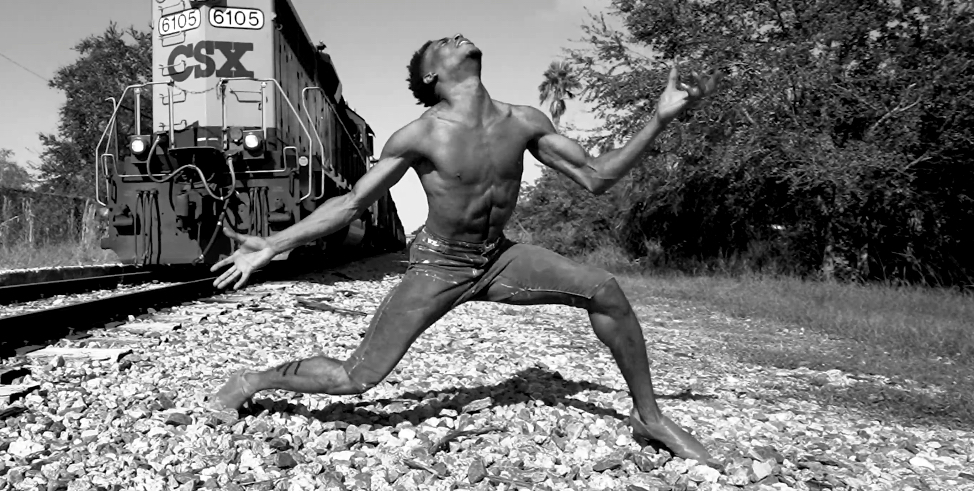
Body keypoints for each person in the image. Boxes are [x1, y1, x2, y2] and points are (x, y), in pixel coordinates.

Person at [209, 34, 721, 461]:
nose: (457, 37)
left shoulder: (524, 120)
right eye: (443, 42)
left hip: (499, 257)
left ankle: (649, 417)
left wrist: (658, 119)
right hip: (438, 263)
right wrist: (273, 244)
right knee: (356, 377)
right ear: (431, 75)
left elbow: (597, 178)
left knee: (606, 290)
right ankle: (251, 380)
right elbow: (350, 205)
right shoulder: (420, 133)